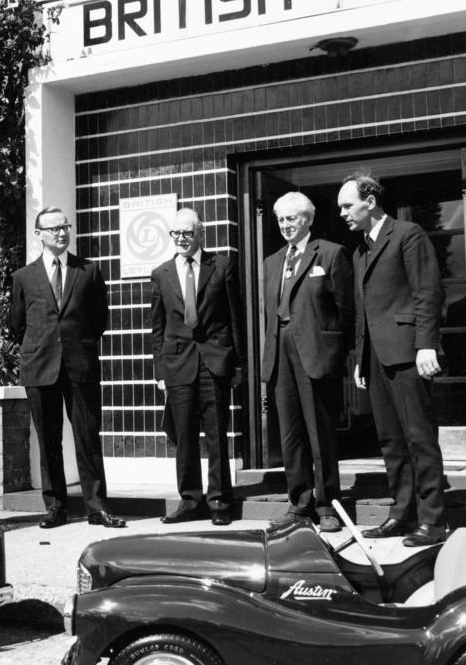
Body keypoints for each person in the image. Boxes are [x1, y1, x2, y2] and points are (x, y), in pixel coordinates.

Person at [337, 173, 448, 547]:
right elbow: (365, 311)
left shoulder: (407, 234)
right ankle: (402, 513)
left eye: (348, 205)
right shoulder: (360, 251)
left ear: (370, 202)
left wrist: (426, 344)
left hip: (408, 353)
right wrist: (360, 357)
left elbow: (427, 292)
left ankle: (432, 520)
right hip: (376, 358)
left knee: (419, 437)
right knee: (390, 441)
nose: (343, 213)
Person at [9, 207, 125, 529]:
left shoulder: (88, 271)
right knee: (48, 441)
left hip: (79, 365)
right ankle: (56, 507)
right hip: (40, 366)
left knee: (87, 437)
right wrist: (43, 345)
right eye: (54, 228)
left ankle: (97, 507)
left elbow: (99, 319)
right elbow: (17, 324)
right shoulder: (23, 277)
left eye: (65, 227)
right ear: (39, 234)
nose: (62, 233)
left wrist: (78, 344)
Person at [260, 192, 354, 532]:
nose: (286, 225)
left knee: (319, 433)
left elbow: (347, 310)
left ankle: (328, 505)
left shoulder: (330, 253)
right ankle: (299, 504)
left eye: (292, 218)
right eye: (281, 219)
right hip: (280, 351)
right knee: (290, 434)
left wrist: (338, 352)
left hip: (315, 352)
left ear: (308, 219)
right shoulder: (272, 262)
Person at [151, 209, 245, 526]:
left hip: (214, 362)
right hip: (177, 364)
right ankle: (190, 500)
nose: (181, 238)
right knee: (184, 437)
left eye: (187, 233)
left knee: (217, 435)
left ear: (200, 233)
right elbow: (157, 328)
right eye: (175, 233)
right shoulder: (161, 273)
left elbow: (235, 319)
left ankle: (219, 502)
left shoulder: (221, 265)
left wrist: (237, 365)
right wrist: (160, 372)